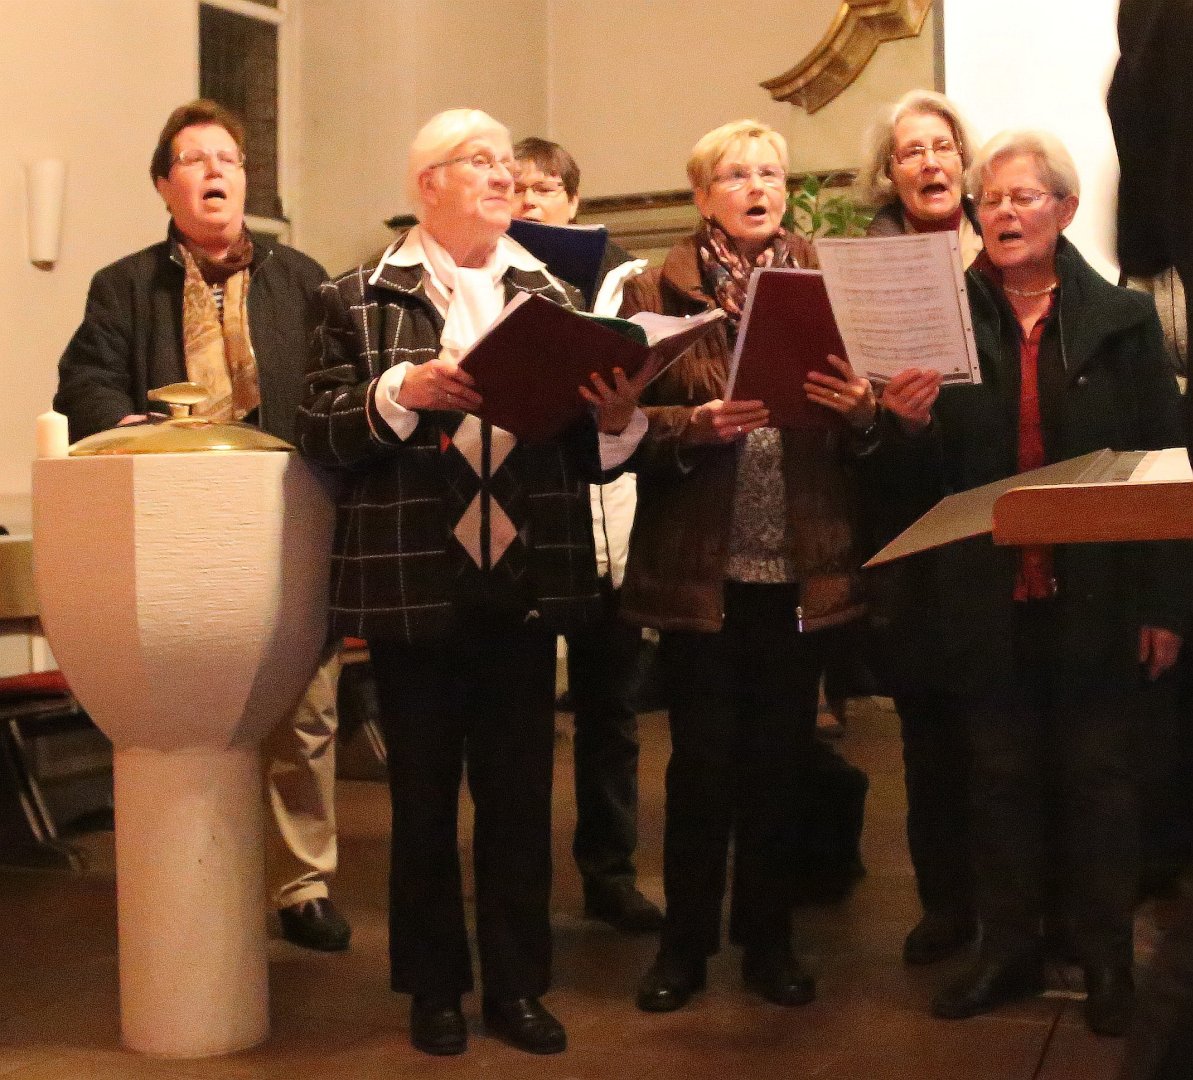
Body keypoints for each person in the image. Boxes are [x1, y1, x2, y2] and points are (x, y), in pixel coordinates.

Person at [295, 109, 646, 1057]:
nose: (503, 177)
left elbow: (593, 453)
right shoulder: (356, 295)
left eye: (506, 164)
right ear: (427, 186)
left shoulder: (553, 295)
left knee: (521, 798)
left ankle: (518, 987)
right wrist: (398, 393)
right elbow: (317, 426)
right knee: (421, 805)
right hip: (418, 579)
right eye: (479, 164)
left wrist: (616, 417)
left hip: (523, 576)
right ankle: (434, 990)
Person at [879, 130, 1186, 1038]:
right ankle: (1005, 949)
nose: (1004, 213)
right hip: (981, 596)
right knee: (999, 779)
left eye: (1024, 198)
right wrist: (905, 427)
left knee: (1098, 780)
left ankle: (1102, 959)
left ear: (1064, 210)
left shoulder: (1122, 320)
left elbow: (1168, 470)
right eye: (992, 200)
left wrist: (1168, 605)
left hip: (1098, 595)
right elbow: (915, 487)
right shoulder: (943, 316)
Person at [53, 99, 350, 954]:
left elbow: (335, 385)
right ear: (164, 183)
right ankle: (199, 877)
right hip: (175, 527)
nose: (217, 171)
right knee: (194, 709)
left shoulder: (303, 280)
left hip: (287, 517)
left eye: (229, 158)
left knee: (304, 711)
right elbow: (85, 383)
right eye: (195, 159)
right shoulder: (124, 284)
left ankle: (303, 883)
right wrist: (129, 426)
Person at [618, 119, 875, 1014]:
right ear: (702, 196)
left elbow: (866, 429)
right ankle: (682, 950)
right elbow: (617, 425)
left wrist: (861, 408)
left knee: (777, 766)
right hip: (701, 570)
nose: (758, 185)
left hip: (799, 564)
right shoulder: (654, 286)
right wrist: (695, 427)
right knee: (698, 769)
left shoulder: (830, 282)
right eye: (736, 174)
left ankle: (767, 943)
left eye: (771, 171)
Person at [510, 136, 661, 935]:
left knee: (611, 712)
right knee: (524, 718)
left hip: (615, 526)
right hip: (533, 524)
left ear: (574, 200)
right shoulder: (491, 276)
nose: (530, 201)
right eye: (518, 189)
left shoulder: (628, 279)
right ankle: (519, 878)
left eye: (545, 188)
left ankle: (610, 873)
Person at [856, 88, 982, 966]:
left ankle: (1027, 910)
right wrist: (889, 420)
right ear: (888, 175)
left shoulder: (1016, 246)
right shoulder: (866, 272)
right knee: (931, 741)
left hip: (1011, 525)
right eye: (910, 152)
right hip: (917, 537)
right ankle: (946, 907)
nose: (930, 163)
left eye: (941, 147)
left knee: (1015, 738)